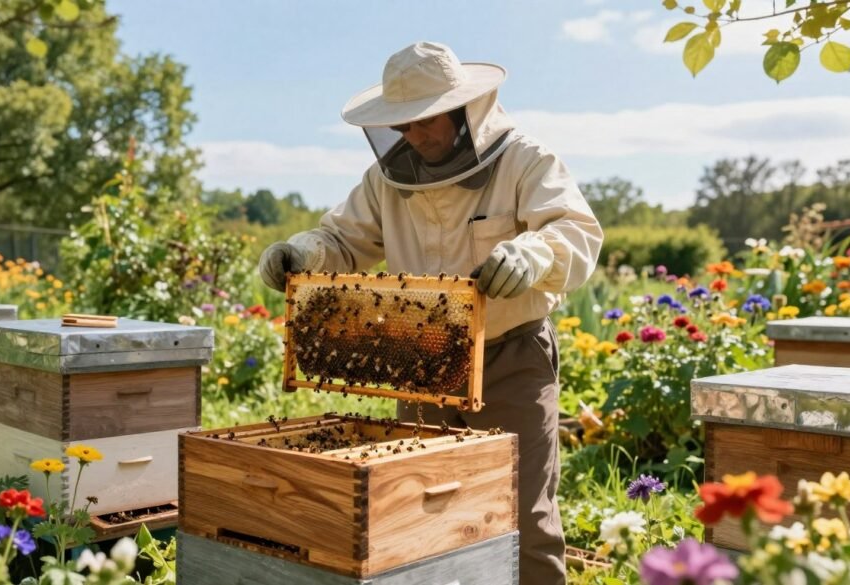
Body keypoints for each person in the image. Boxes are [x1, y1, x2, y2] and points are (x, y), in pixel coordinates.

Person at [258, 41, 602, 585]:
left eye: (425, 122)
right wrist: (304, 253)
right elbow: (342, 239)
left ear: (465, 110)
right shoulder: (387, 179)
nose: (413, 137)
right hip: (419, 364)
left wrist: (534, 253)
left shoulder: (525, 160)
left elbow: (576, 231)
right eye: (402, 127)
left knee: (525, 512)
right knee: (422, 507)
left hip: (510, 356)